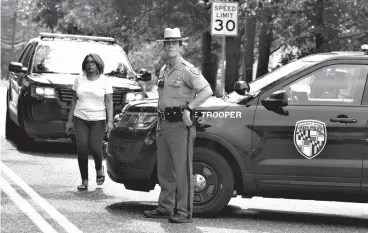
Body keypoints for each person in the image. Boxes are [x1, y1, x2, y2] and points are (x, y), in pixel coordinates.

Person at [143, 28, 213, 223]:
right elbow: (162, 99)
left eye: (175, 42)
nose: (171, 46)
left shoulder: (187, 70)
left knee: (182, 171)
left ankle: (184, 211)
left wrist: (189, 108)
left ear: (180, 45)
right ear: (164, 46)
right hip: (164, 125)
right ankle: (165, 207)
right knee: (165, 170)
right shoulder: (164, 70)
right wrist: (158, 123)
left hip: (181, 127)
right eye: (168, 43)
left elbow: (207, 91)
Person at [66, 53, 114, 190]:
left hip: (98, 119)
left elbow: (109, 101)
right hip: (80, 117)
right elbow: (74, 100)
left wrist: (110, 122)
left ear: (98, 64)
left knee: (95, 147)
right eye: (87, 62)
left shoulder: (105, 81)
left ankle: (99, 168)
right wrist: (69, 121)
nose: (90, 64)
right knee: (82, 148)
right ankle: (84, 180)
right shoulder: (79, 79)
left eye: (93, 62)